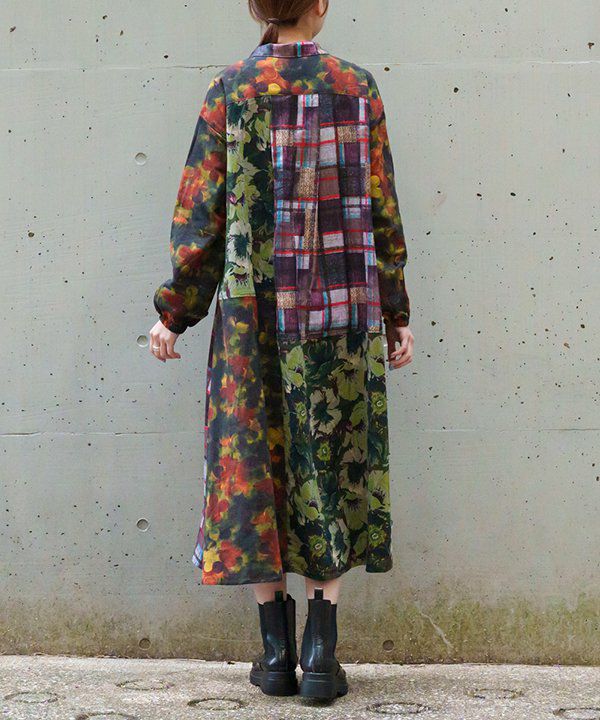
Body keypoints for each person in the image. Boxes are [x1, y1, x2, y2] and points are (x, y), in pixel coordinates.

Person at [149, 0, 414, 702]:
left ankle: (274, 657)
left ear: (258, 8)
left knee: (254, 470)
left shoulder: (230, 89)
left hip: (253, 323)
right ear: (318, 5)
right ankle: (321, 656)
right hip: (340, 315)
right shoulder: (357, 87)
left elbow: (200, 216)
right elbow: (383, 208)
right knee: (328, 463)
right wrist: (395, 311)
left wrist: (175, 312)